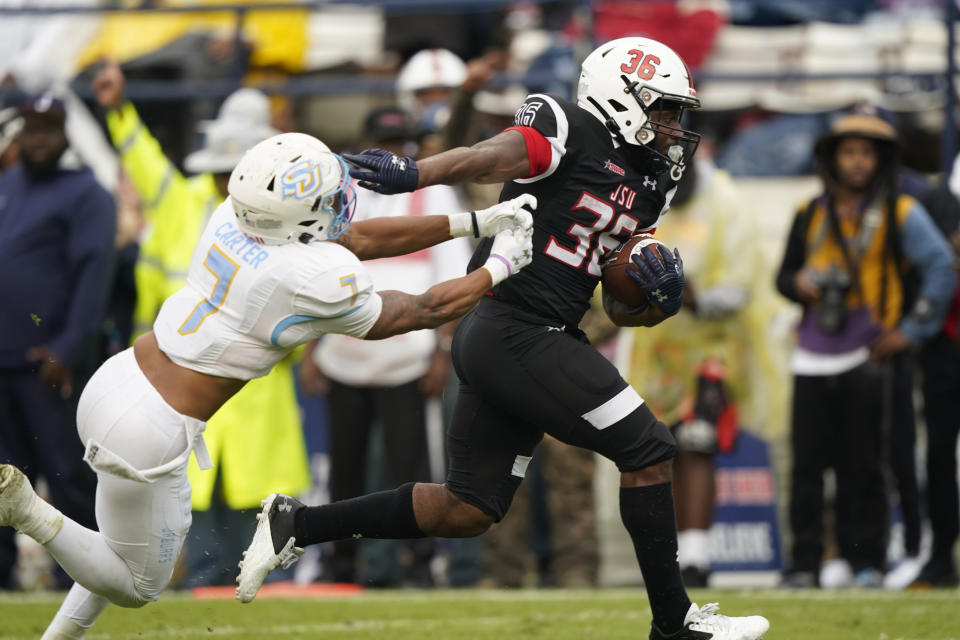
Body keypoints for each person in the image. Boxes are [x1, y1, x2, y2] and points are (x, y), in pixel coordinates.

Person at [238, 37, 770, 640]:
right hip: (515, 326)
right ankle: (674, 625)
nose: (674, 125)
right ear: (622, 98)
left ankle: (297, 525)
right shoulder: (568, 125)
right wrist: (417, 171)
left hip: (529, 335)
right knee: (648, 449)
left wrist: (653, 296)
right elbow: (488, 156)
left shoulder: (652, 177)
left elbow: (620, 309)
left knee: (465, 508)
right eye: (664, 108)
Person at [0, 132, 535, 639]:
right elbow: (421, 309)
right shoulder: (311, 276)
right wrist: (502, 265)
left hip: (117, 380)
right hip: (152, 424)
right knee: (137, 585)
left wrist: (475, 221)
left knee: (114, 548)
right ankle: (30, 511)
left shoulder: (230, 217)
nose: (342, 201)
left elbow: (360, 237)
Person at [93, 60, 311, 587]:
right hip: (184, 388)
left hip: (256, 392)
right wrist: (118, 111)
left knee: (267, 542)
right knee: (205, 545)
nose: (223, 177)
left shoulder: (287, 221)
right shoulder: (180, 201)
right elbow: (143, 161)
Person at [775, 114, 956, 589]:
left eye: (867, 152)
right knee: (808, 466)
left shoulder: (901, 211)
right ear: (832, 158)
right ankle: (803, 564)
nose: (858, 162)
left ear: (881, 160)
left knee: (868, 466)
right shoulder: (809, 211)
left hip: (873, 352)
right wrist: (799, 284)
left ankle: (867, 563)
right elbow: (782, 277)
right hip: (813, 352)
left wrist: (913, 330)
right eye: (849, 152)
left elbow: (941, 267)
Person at [299, 107, 472, 586]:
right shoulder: (339, 192)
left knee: (410, 470)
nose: (390, 151)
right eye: (381, 141)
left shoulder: (434, 192)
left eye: (399, 143)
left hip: (407, 357)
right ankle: (340, 565)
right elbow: (314, 272)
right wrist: (312, 350)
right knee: (345, 470)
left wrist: (440, 351)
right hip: (343, 353)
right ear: (364, 139)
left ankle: (416, 563)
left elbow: (452, 274)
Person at [0, 94, 115, 591]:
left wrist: (67, 347)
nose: (38, 138)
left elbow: (95, 277)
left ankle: (86, 578)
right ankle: (2, 575)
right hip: (1, 361)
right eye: (30, 127)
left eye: (48, 128)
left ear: (66, 134)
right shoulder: (7, 186)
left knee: (65, 473)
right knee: (2, 479)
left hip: (47, 363)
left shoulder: (85, 193)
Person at [909, 151, 960, 588]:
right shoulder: (936, 199)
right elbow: (919, 269)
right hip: (945, 343)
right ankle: (941, 552)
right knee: (940, 454)